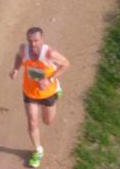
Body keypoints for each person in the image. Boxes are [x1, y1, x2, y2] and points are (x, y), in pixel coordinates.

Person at [9, 26, 70, 168]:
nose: (33, 44)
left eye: (36, 40)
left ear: (42, 39)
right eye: (30, 40)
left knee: (47, 121)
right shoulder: (24, 49)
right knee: (32, 122)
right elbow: (18, 56)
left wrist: (50, 80)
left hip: (48, 92)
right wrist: (16, 69)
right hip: (30, 92)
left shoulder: (50, 53)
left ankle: (57, 87)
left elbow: (66, 64)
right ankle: (38, 150)